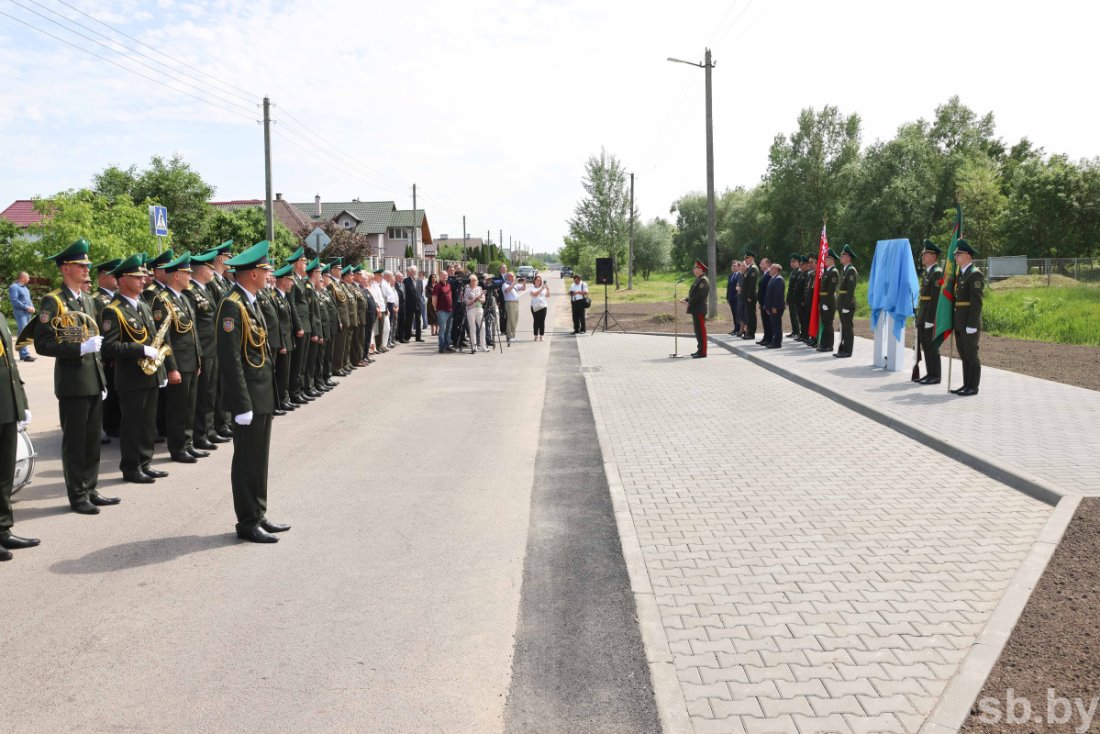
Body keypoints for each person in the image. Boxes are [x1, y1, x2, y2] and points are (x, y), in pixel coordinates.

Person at [31, 239, 118, 513]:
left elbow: (95, 341)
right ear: (65, 268)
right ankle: (78, 495)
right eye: (81, 265)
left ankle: (91, 488)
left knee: (92, 441)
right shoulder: (53, 301)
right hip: (72, 382)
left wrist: (101, 379)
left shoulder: (87, 301)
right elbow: (42, 344)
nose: (86, 269)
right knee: (76, 442)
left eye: (87, 265)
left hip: (93, 379)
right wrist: (78, 348)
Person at [216, 240, 288, 543]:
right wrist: (241, 404)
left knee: (259, 460)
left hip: (261, 395)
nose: (268, 273)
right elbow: (230, 360)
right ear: (253, 274)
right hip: (249, 399)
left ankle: (258, 513)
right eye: (264, 269)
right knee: (247, 461)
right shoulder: (232, 305)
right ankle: (246, 522)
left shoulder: (251, 301)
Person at [102, 254, 169, 485]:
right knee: (132, 424)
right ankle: (131, 467)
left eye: (143, 276)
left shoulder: (142, 305)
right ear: (122, 280)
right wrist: (140, 349)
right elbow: (109, 347)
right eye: (137, 277)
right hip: (130, 378)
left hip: (149, 374)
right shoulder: (114, 310)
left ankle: (145, 462)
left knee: (148, 423)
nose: (143, 280)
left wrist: (160, 367)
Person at [153, 252, 206, 462]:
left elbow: (193, 333)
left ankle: (188, 443)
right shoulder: (162, 301)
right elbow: (164, 338)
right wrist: (171, 367)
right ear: (176, 275)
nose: (190, 276)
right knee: (178, 408)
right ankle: (177, 448)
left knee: (189, 406)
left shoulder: (183, 298)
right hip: (178, 363)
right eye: (186, 273)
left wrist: (198, 359)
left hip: (191, 361)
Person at [0, 312, 37, 558]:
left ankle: (3, 529)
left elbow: (10, 363)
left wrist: (20, 400)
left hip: (5, 404)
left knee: (4, 474)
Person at [184, 250, 225, 448]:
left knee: (211, 393)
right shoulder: (191, 291)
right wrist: (199, 351)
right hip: (204, 348)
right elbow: (194, 324)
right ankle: (200, 435)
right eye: (210, 268)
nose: (212, 272)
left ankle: (209, 430)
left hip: (214, 347)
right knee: (202, 395)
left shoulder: (206, 289)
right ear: (202, 270)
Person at [92, 259, 122, 441]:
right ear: (103, 277)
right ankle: (108, 426)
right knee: (108, 393)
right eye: (113, 275)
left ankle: (114, 424)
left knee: (115, 392)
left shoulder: (114, 298)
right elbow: (98, 327)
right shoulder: (97, 300)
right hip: (106, 354)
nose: (116, 279)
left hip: (116, 353)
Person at [951, 239, 984, 396]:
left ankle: (973, 386)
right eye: (956, 254)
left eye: (959, 254)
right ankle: (966, 385)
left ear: (968, 256)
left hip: (969, 323)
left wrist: (972, 324)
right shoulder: (961, 275)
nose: (956, 256)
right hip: (959, 322)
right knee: (963, 354)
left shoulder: (974, 274)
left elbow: (976, 303)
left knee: (971, 354)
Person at [285, 247, 312, 405]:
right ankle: (294, 392)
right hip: (300, 325)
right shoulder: (293, 280)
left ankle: (299, 390)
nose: (305, 263)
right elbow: (292, 304)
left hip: (306, 324)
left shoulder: (300, 280)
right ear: (296, 263)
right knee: (297, 362)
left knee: (302, 361)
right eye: (303, 261)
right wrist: (298, 325)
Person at [916, 240, 944, 384]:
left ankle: (936, 375)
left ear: (934, 256)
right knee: (926, 345)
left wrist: (929, 319)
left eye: (926, 254)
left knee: (932, 346)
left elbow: (935, 298)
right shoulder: (928, 272)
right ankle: (929, 373)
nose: (923, 256)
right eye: (923, 254)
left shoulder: (937, 273)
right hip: (923, 313)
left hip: (930, 315)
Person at [272, 265, 297, 409]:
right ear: (283, 280)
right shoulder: (275, 297)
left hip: (287, 340)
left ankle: (284, 398)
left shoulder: (283, 297)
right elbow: (278, 323)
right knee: (281, 374)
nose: (292, 283)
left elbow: (287, 324)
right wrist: (282, 343)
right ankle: (280, 400)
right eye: (290, 280)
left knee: (285, 373)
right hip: (281, 342)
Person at [682, 260, 710, 358]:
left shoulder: (704, 280)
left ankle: (703, 352)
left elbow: (699, 295)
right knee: (697, 331)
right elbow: (693, 294)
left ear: (700, 269)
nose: (694, 270)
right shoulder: (698, 279)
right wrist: (686, 299)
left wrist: (689, 302)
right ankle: (699, 349)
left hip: (699, 309)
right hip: (695, 309)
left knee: (701, 331)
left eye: (695, 268)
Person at [835, 244, 858, 358]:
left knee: (847, 327)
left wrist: (846, 305)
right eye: (841, 255)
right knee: (843, 327)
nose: (841, 257)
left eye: (843, 256)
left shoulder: (851, 270)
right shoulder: (845, 270)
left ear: (848, 258)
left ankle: (848, 351)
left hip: (847, 303)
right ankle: (842, 349)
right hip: (842, 302)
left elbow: (850, 290)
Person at [8, 271, 36, 362]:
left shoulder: (25, 288)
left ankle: (23, 355)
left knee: (23, 332)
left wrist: (32, 307)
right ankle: (25, 355)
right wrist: (26, 307)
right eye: (28, 277)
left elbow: (28, 299)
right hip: (20, 313)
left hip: (27, 312)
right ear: (23, 277)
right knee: (24, 332)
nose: (29, 279)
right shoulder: (14, 287)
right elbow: (14, 301)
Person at [816, 249, 839, 353]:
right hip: (825, 300)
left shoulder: (834, 272)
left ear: (832, 260)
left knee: (828, 324)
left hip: (829, 301)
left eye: (827, 258)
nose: (825, 260)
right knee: (825, 323)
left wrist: (826, 303)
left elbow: (831, 290)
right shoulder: (827, 272)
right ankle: (824, 344)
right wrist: (821, 302)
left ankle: (829, 345)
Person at [463, 274, 486, 353]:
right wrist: (475, 298)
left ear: (477, 281)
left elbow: (483, 300)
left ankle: (483, 345)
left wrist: (479, 299)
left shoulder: (480, 288)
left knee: (482, 326)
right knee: (472, 328)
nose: (473, 282)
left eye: (475, 280)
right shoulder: (467, 289)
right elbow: (467, 302)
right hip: (471, 309)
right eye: (472, 280)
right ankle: (474, 346)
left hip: (479, 308)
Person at [764, 263, 786, 348]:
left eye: (772, 268)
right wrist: (767, 306)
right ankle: (775, 341)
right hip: (771, 307)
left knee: (776, 325)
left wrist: (774, 307)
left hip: (776, 307)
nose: (770, 270)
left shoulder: (779, 279)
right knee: (774, 325)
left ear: (776, 270)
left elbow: (778, 295)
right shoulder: (773, 278)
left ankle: (777, 343)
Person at [740, 251, 759, 339]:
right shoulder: (749, 268)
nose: (745, 260)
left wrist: (748, 296)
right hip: (747, 296)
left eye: (747, 258)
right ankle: (749, 332)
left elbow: (752, 284)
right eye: (745, 258)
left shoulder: (753, 268)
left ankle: (751, 333)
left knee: (751, 315)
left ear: (752, 258)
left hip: (750, 296)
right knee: (749, 315)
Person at [801, 253, 818, 347]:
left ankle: (815, 338)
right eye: (809, 263)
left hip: (814, 301)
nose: (810, 264)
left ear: (816, 263)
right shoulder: (811, 274)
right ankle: (812, 337)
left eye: (812, 262)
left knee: (814, 320)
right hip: (809, 301)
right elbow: (807, 288)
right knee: (809, 320)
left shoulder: (817, 274)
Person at [402, 266, 423, 343]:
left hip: (418, 304)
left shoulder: (420, 281)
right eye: (413, 271)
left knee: (418, 321)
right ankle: (407, 336)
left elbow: (420, 292)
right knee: (409, 321)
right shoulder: (405, 281)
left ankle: (418, 337)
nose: (414, 272)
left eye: (415, 271)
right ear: (410, 272)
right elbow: (405, 293)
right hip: (409, 304)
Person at [502, 272, 523, 343]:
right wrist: (514, 283)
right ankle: (509, 336)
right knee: (510, 320)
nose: (513, 277)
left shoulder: (515, 284)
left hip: (516, 302)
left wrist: (524, 281)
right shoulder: (505, 284)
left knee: (515, 320)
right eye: (512, 276)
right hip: (509, 303)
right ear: (508, 277)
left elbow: (523, 288)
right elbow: (507, 290)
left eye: (513, 276)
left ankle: (513, 335)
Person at [756, 258, 772, 346]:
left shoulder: (769, 274)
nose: (760, 265)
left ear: (768, 264)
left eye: (762, 263)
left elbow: (768, 291)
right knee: (765, 322)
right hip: (763, 303)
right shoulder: (765, 274)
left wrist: (766, 303)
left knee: (768, 322)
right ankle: (766, 338)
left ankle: (769, 339)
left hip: (767, 303)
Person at [528, 275, 550, 341]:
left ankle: (541, 335)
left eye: (540, 280)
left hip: (543, 306)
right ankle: (536, 335)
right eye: (537, 280)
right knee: (536, 320)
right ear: (534, 281)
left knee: (542, 321)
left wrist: (548, 289)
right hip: (535, 306)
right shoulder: (532, 288)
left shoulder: (543, 288)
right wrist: (541, 289)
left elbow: (548, 295)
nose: (539, 281)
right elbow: (535, 294)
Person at [786, 254, 803, 338]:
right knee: (792, 315)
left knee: (796, 315)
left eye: (794, 262)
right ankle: (794, 331)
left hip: (796, 298)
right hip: (791, 298)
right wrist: (787, 299)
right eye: (791, 262)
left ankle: (797, 332)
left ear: (798, 262)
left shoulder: (799, 272)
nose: (792, 263)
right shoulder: (793, 272)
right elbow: (790, 287)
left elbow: (797, 287)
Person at [725, 261, 741, 336]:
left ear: (739, 267)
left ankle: (739, 329)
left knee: (738, 314)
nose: (733, 267)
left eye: (735, 266)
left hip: (737, 298)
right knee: (734, 314)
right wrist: (727, 297)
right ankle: (735, 329)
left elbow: (739, 287)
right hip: (731, 298)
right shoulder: (730, 275)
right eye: (732, 266)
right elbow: (729, 287)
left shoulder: (740, 275)